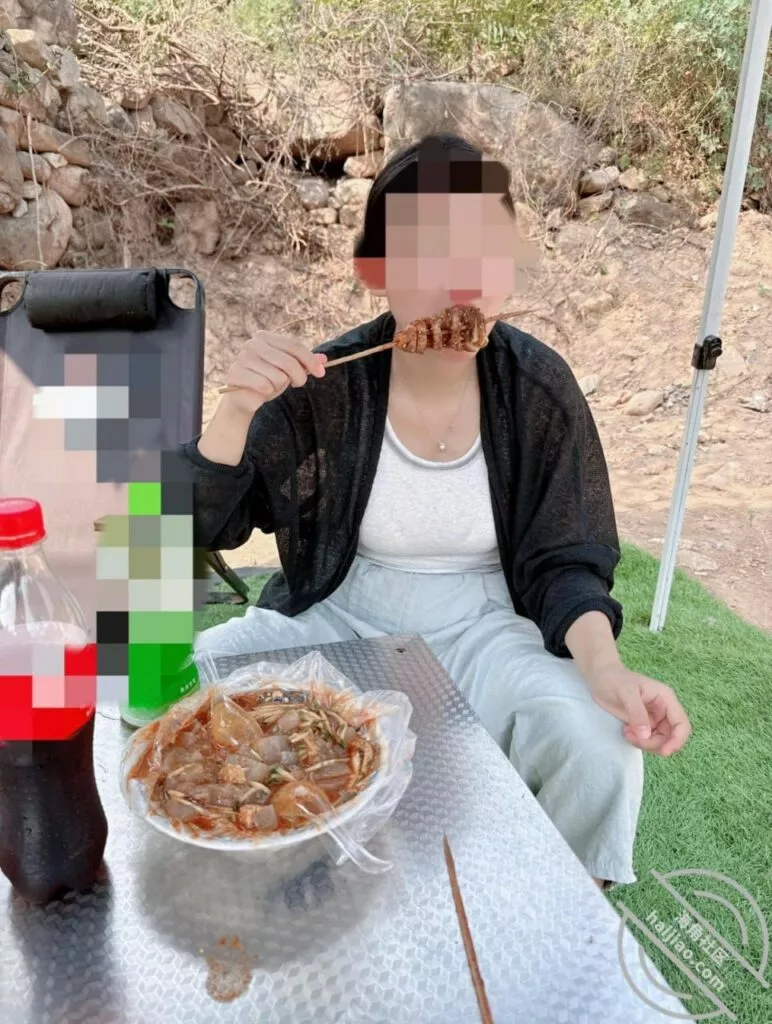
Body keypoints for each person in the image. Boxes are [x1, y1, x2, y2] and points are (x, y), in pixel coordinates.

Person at [183, 132, 691, 889]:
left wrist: (604, 666)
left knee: (600, 743)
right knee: (187, 682)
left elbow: (568, 561)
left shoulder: (537, 389)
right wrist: (233, 414)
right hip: (339, 610)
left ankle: (566, 906)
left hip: (487, 626)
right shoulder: (326, 387)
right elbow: (187, 529)